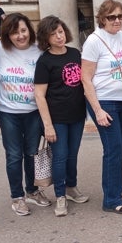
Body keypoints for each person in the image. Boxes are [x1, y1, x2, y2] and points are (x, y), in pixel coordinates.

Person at [0, 13, 52, 216]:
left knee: (31, 152)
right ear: (7, 35)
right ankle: (17, 196)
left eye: (23, 30)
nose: (20, 36)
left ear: (29, 31)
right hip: (8, 113)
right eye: (14, 32)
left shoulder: (39, 50)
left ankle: (32, 190)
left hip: (33, 112)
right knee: (14, 155)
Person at [81, 0, 122, 215]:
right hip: (104, 101)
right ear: (102, 19)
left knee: (118, 148)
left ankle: (115, 190)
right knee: (112, 149)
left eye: (120, 16)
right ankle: (111, 200)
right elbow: (85, 78)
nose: (117, 20)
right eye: (112, 17)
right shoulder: (94, 41)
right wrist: (97, 110)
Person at [34, 16, 88, 217]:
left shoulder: (75, 53)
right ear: (45, 38)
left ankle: (71, 187)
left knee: (72, 154)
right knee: (60, 156)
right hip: (56, 118)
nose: (59, 36)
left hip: (77, 114)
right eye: (53, 33)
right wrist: (47, 125)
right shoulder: (45, 61)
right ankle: (60, 195)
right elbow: (39, 95)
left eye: (61, 31)